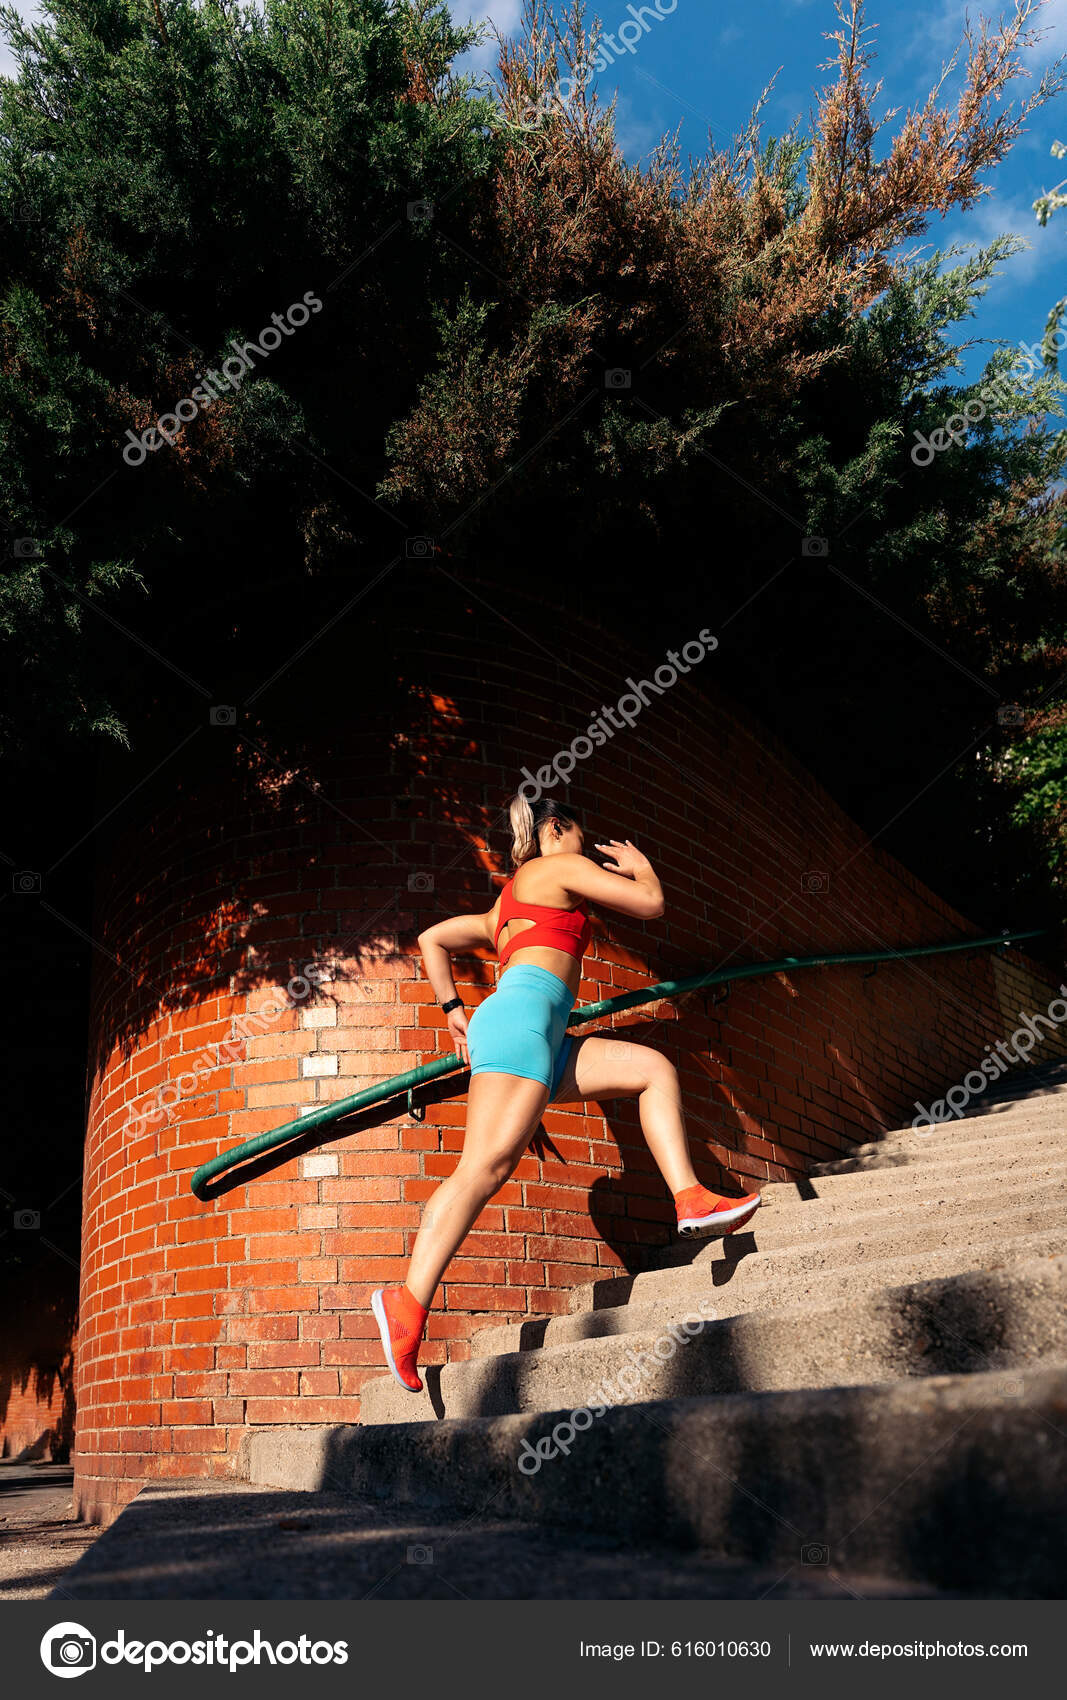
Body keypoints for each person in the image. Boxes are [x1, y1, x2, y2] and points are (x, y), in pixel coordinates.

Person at [371, 794, 761, 1391]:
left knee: (651, 1069)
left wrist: (454, 1008)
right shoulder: (555, 867)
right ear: (557, 828)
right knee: (483, 1169)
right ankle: (407, 1303)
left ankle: (689, 1199)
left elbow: (432, 938)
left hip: (542, 1037)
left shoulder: (504, 902)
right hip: (525, 1025)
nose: (588, 845)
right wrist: (637, 862)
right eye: (583, 834)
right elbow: (651, 903)